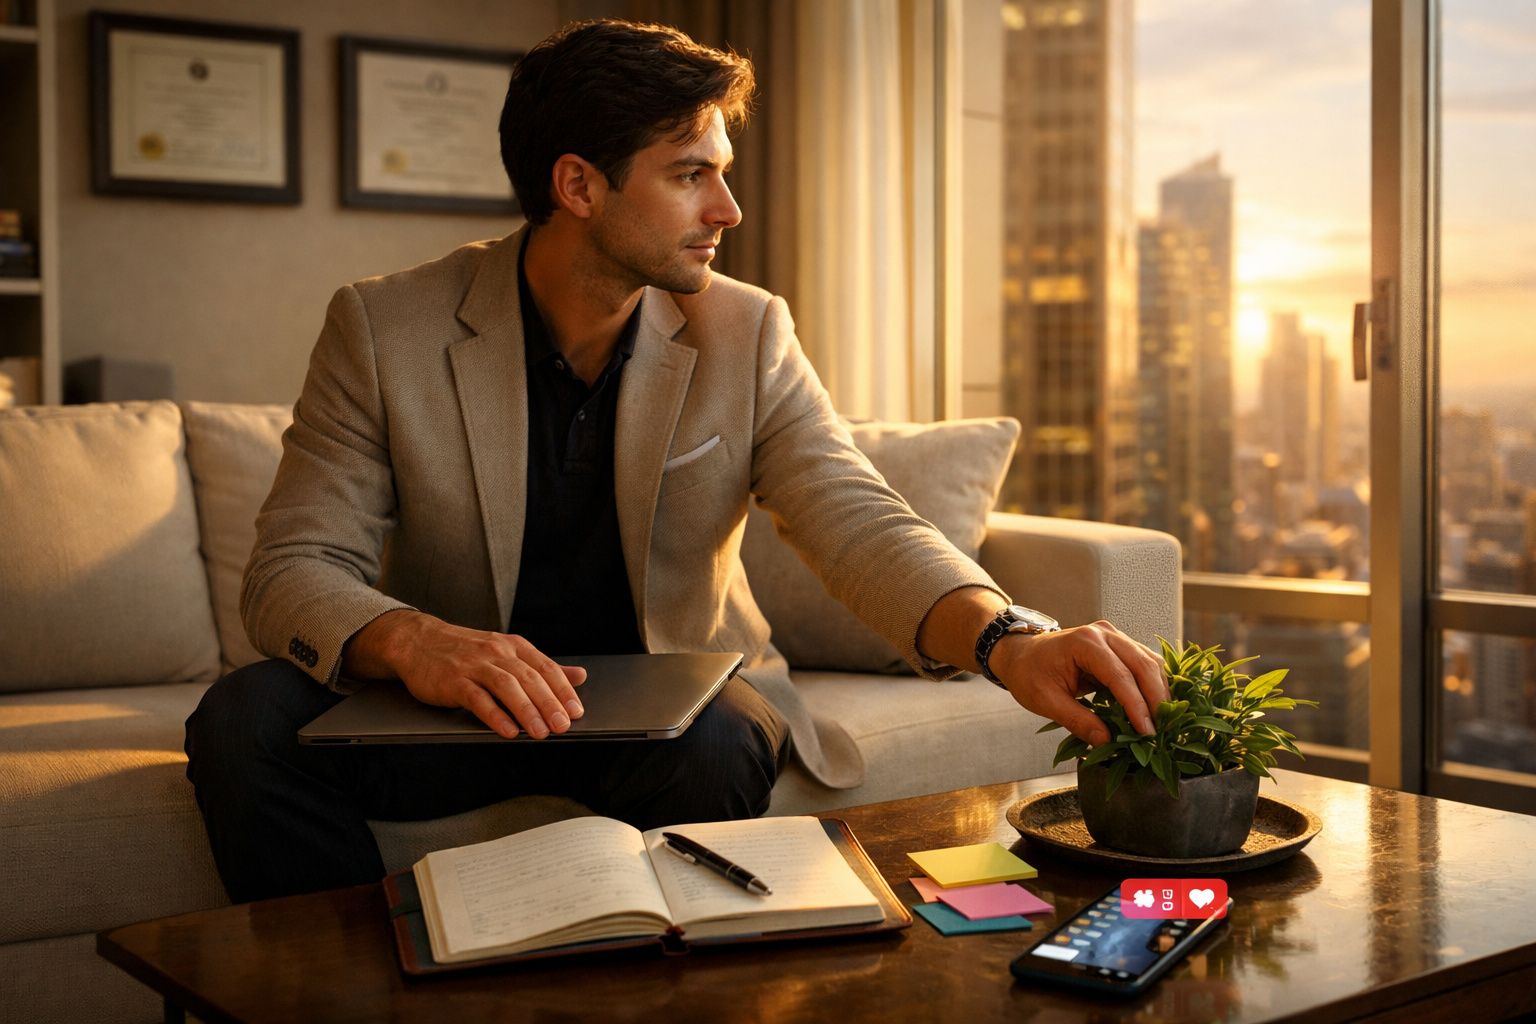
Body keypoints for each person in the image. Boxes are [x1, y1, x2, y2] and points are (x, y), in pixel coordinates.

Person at [185, 18, 1167, 904]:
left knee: (725, 732)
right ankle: (343, 982)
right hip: (448, 715)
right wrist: (417, 643)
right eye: (690, 173)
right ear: (579, 185)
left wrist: (1011, 640)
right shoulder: (383, 325)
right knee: (242, 719)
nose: (729, 208)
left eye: (722, 170)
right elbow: (291, 567)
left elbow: (853, 514)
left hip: (668, 719)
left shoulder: (747, 331)